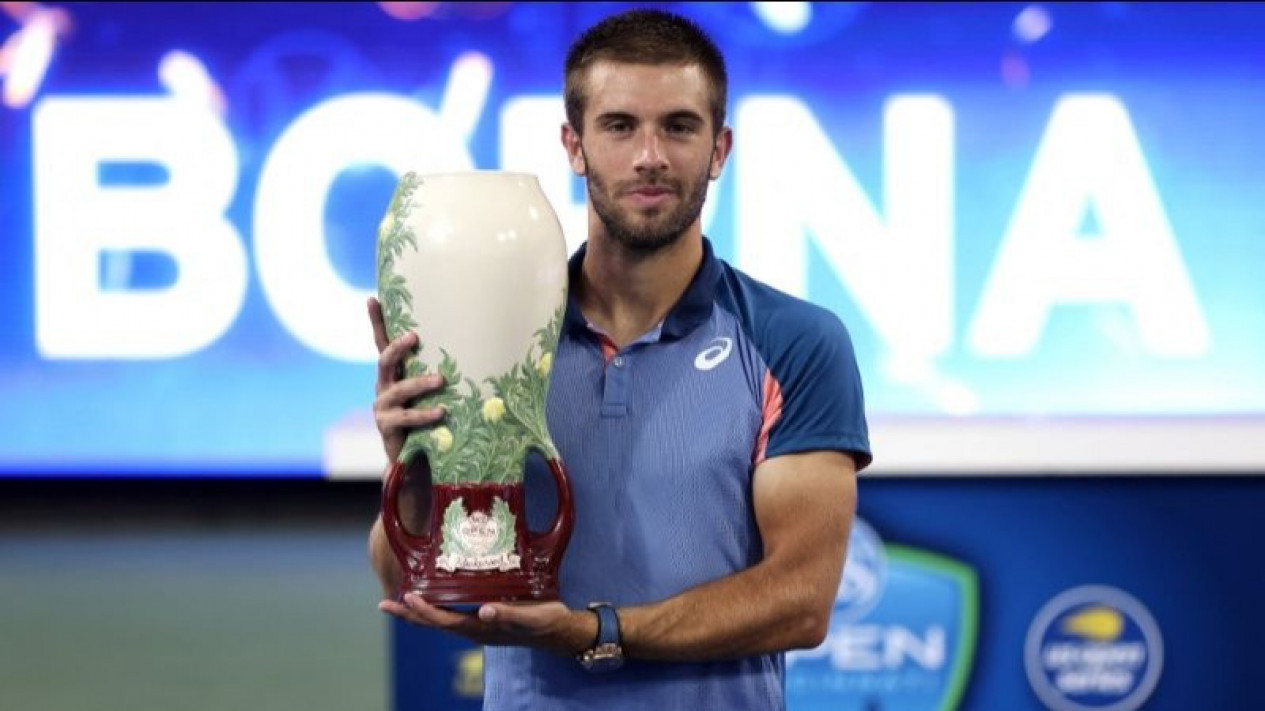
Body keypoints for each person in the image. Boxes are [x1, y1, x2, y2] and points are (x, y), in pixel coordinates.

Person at [367, 8, 872, 710]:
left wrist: (595, 630)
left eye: (678, 126)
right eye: (618, 126)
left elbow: (800, 600)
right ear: (572, 146)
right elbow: (403, 580)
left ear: (719, 148)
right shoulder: (496, 338)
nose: (649, 156)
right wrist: (413, 467)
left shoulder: (794, 341)